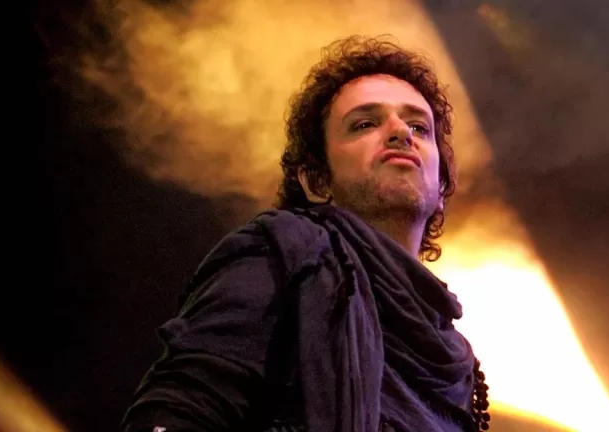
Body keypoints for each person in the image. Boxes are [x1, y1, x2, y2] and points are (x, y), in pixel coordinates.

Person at [121, 35, 489, 432]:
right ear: (316, 181)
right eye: (365, 123)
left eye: (419, 126)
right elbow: (180, 410)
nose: (401, 131)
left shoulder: (452, 356)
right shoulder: (286, 256)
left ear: (440, 191)